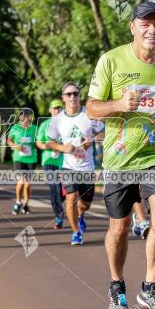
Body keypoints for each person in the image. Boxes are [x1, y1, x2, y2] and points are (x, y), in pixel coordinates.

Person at [86, 1, 155, 309]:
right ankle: (116, 286)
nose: (152, 30)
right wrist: (118, 103)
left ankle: (151, 287)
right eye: (145, 24)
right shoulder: (111, 60)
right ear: (132, 27)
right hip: (119, 159)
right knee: (120, 227)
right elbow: (91, 108)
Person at [44, 83, 105, 245]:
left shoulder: (89, 115)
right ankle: (76, 232)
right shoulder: (57, 120)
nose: (72, 97)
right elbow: (49, 143)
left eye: (75, 93)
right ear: (63, 98)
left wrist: (92, 140)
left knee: (85, 204)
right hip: (68, 166)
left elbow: (102, 132)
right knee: (71, 197)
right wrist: (63, 147)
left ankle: (81, 215)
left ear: (79, 96)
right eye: (68, 94)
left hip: (87, 167)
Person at [36, 99, 66, 229]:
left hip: (64, 162)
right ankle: (59, 216)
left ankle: (61, 201)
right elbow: (39, 143)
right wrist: (48, 146)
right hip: (49, 161)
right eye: (55, 108)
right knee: (54, 187)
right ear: (50, 110)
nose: (58, 110)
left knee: (61, 190)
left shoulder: (67, 124)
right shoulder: (45, 125)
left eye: (60, 108)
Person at [7, 108, 38, 214]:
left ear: (30, 117)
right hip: (19, 158)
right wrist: (16, 146)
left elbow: (39, 142)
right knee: (21, 181)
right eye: (22, 116)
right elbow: (9, 140)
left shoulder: (34, 128)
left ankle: (26, 204)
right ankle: (18, 202)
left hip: (31, 158)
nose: (24, 118)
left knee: (28, 184)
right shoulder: (15, 128)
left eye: (26, 115)